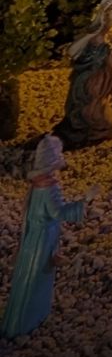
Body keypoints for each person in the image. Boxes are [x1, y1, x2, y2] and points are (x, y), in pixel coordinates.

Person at [1, 135, 96, 338]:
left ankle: (19, 320)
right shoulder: (49, 188)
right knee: (37, 275)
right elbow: (57, 213)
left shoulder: (36, 186)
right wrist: (84, 202)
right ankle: (27, 320)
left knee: (27, 275)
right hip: (42, 241)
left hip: (32, 238)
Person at [56, 0, 112, 149]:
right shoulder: (101, 37)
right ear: (106, 13)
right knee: (108, 127)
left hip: (111, 82)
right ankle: (92, 128)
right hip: (97, 85)